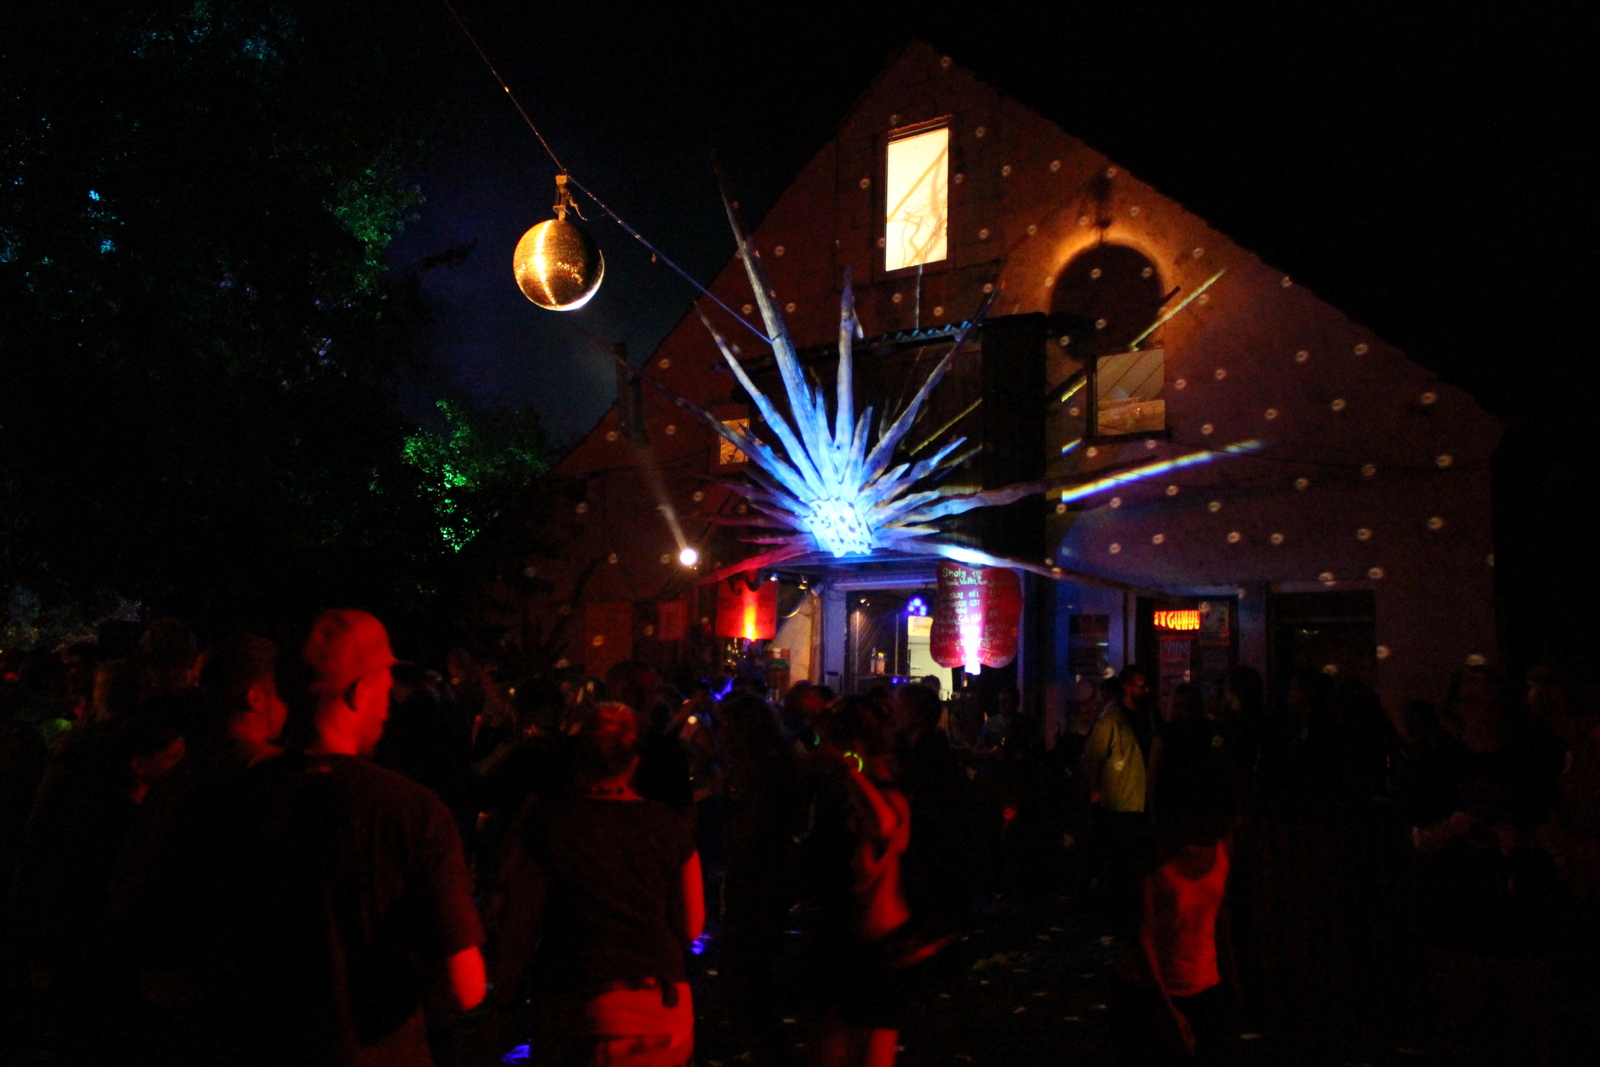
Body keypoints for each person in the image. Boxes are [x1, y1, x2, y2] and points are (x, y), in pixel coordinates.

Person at [240, 610, 485, 1066]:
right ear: (358, 691)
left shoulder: (237, 798)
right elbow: (463, 987)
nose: (389, 707)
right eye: (384, 689)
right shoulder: (412, 811)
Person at [494, 701, 703, 1067]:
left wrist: (501, 1004)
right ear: (635, 761)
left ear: (576, 758)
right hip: (660, 1007)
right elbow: (691, 927)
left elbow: (520, 928)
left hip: (578, 1006)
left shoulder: (550, 824)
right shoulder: (667, 826)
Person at [1107, 786, 1241, 1066]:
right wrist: (1167, 1012)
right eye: (1217, 826)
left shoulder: (1222, 844)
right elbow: (1141, 935)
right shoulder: (1151, 854)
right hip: (1148, 990)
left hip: (1204, 984)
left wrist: (1230, 975)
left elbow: (1220, 914)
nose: (1217, 836)